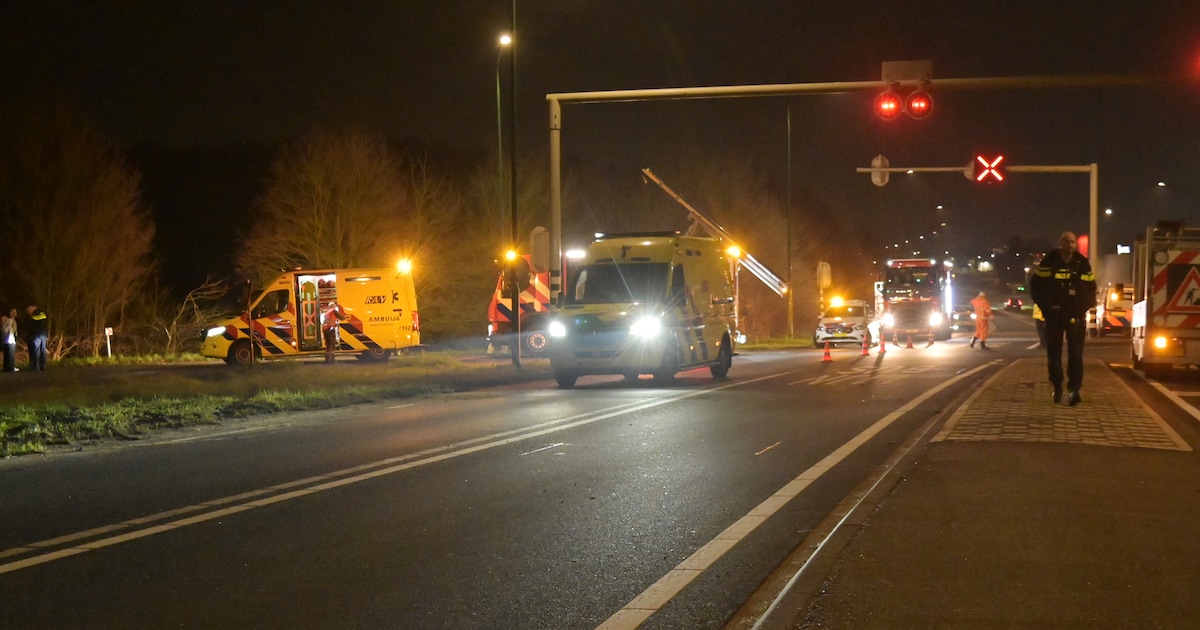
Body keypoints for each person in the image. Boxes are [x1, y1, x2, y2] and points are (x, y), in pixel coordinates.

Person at [1030, 232, 1097, 406]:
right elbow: (1036, 287)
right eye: (1066, 242)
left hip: (1075, 315)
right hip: (1054, 316)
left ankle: (1075, 389)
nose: (1070, 245)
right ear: (1060, 244)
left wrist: (1081, 309)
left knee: (1076, 354)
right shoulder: (1049, 262)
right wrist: (1048, 308)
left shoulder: (1082, 263)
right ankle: (1057, 385)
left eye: (1073, 242)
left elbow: (1091, 289)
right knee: (1054, 353)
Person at [26, 305, 49, 371]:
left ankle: (36, 365)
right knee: (42, 350)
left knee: (36, 351)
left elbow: (31, 326)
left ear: (33, 307)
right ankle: (42, 365)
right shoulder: (42, 314)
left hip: (36, 335)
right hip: (43, 335)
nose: (28, 311)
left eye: (29, 309)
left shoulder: (34, 316)